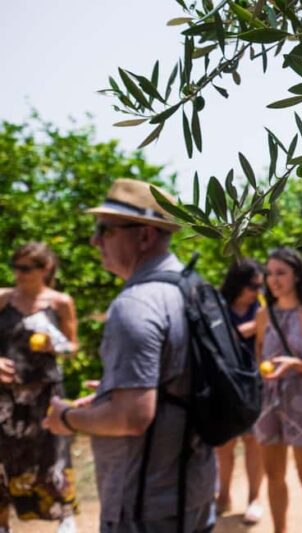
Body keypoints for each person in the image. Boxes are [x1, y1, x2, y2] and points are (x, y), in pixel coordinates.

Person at [42, 178, 216, 532]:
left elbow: (132, 417)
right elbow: (177, 383)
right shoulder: (196, 288)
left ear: (145, 236)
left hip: (145, 505)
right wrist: (111, 391)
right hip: (194, 491)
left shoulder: (135, 305)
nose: (94, 240)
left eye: (105, 229)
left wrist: (67, 418)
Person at [0, 242, 78, 533]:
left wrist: (54, 344)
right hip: (6, 394)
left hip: (46, 390)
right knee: (4, 456)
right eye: (15, 267)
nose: (18, 274)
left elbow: (72, 346)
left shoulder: (60, 302)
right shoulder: (3, 299)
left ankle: (65, 517)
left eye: (25, 268)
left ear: (45, 269)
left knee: (53, 452)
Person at [252, 248, 302, 533]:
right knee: (273, 475)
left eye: (281, 273)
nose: (273, 279)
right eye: (269, 273)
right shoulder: (262, 316)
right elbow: (259, 356)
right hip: (269, 404)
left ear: (297, 276)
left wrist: (296, 365)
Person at [215, 259, 265, 524]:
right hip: (225, 383)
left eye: (260, 284)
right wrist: (250, 328)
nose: (258, 290)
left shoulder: (264, 307)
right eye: (253, 285)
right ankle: (223, 496)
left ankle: (254, 498)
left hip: (255, 383)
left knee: (253, 442)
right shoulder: (218, 307)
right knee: (224, 444)